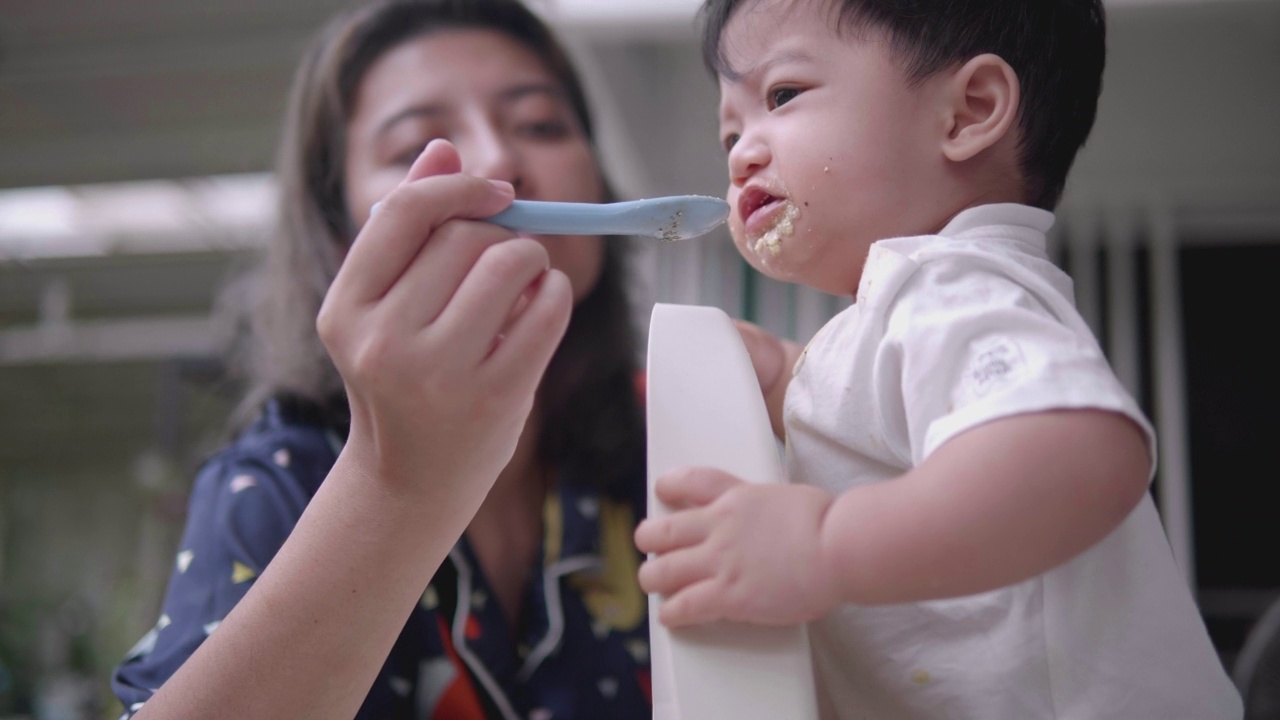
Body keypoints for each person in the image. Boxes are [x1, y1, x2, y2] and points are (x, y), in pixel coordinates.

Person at [633, 0, 1243, 718]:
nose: (740, 155)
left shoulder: (945, 281)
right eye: (730, 131)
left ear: (967, 113)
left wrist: (823, 547)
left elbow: (1077, 455)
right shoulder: (913, 308)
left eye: (782, 96)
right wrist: (784, 379)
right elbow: (884, 418)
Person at [111, 1, 653, 718]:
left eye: (541, 126)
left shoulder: (671, 448)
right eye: (416, 148)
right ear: (342, 240)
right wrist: (395, 486)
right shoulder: (274, 485)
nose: (498, 160)